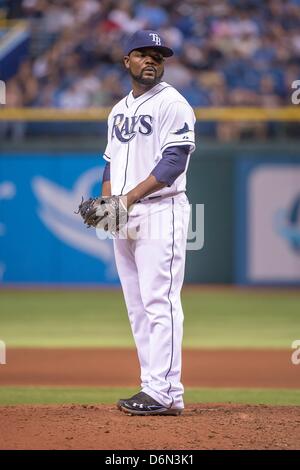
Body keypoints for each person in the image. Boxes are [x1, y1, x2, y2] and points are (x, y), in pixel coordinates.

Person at [101, 30, 196, 415]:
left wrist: (127, 199)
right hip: (125, 213)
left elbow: (174, 163)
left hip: (161, 210)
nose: (151, 60)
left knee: (161, 301)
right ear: (127, 61)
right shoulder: (118, 109)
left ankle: (167, 391)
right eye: (142, 54)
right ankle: (153, 386)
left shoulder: (174, 103)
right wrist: (110, 203)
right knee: (137, 306)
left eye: (158, 55)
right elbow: (109, 161)